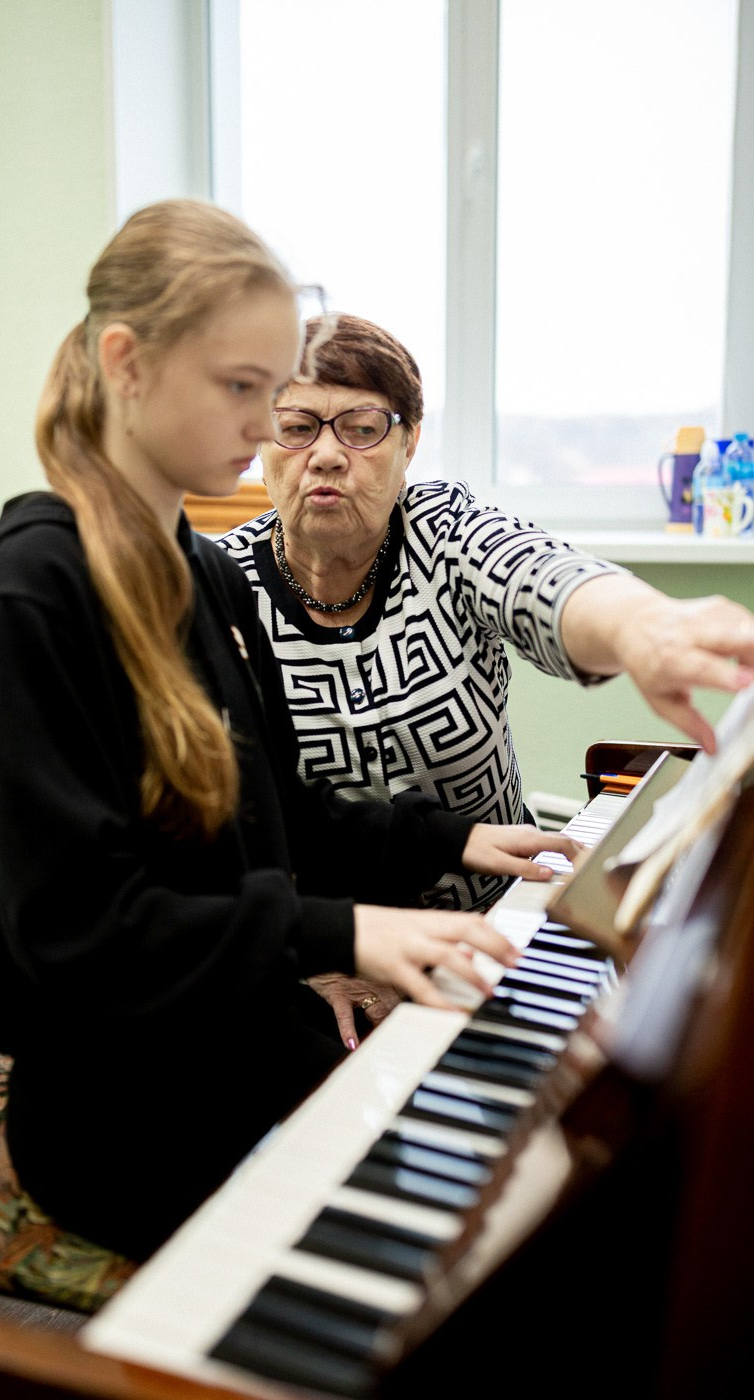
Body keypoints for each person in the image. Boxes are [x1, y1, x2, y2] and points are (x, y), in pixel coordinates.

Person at [0, 202, 578, 1261]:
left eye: (272, 387)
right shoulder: (32, 592)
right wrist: (342, 932)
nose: (272, 421)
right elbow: (79, 931)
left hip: (235, 1033)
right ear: (127, 362)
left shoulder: (197, 568)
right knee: (436, 1248)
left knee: (527, 1160)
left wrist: (441, 841)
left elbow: (278, 812)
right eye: (248, 388)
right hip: (122, 1112)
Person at [219, 313, 754, 1033]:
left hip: (499, 919)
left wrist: (638, 626)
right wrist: (313, 952)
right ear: (260, 442)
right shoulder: (217, 588)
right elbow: (228, 832)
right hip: (327, 953)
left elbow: (541, 576)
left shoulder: (442, 529)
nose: (326, 454)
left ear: (408, 442)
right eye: (296, 426)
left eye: (361, 426)